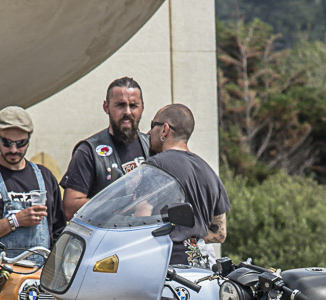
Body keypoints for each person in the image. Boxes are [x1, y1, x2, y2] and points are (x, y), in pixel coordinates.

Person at [0, 106, 65, 260]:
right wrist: (15, 221)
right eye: (7, 142)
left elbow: (59, 231)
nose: (14, 150)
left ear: (30, 136)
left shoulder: (45, 177)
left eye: (21, 143)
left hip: (39, 272)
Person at [145, 104, 230, 267]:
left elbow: (141, 215)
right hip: (200, 267)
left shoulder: (155, 166)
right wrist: (192, 238)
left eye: (152, 125)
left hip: (165, 265)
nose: (148, 132)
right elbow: (220, 234)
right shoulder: (209, 171)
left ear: (165, 130)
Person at [60, 77, 150, 220]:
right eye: (120, 105)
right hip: (107, 232)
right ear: (106, 107)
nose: (127, 112)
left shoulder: (151, 146)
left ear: (142, 108)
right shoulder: (88, 151)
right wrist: (120, 204)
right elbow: (70, 208)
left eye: (133, 106)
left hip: (148, 230)